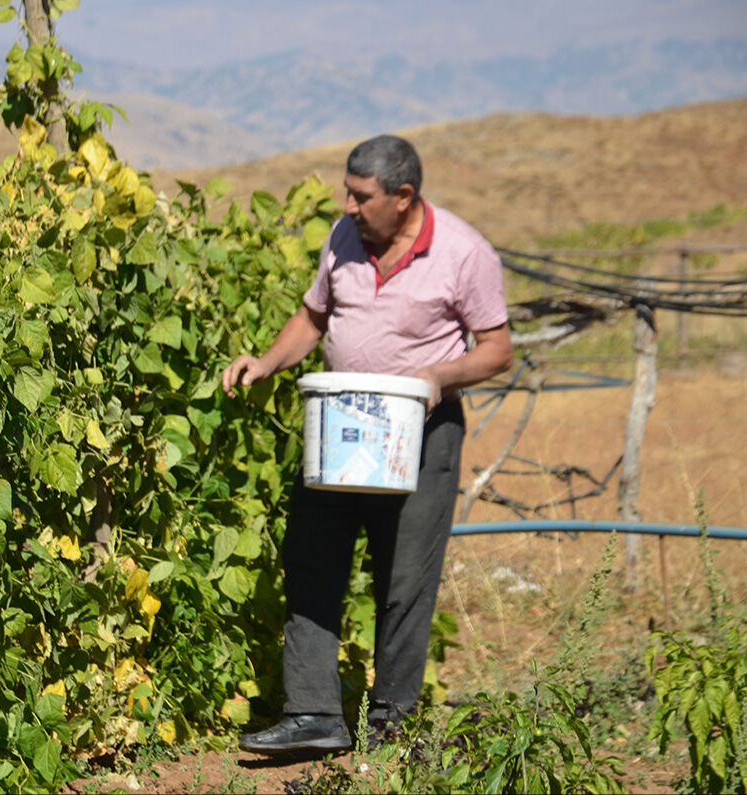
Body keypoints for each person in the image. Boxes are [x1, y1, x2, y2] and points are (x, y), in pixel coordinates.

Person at [221, 134, 513, 754]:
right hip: (340, 425)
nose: (347, 206)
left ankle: (390, 723)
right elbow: (314, 317)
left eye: (361, 197)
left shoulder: (464, 253)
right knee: (310, 558)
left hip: (420, 435)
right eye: (347, 194)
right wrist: (267, 362)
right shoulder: (343, 237)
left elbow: (497, 350)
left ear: (404, 197)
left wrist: (438, 375)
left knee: (404, 578)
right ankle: (314, 715)